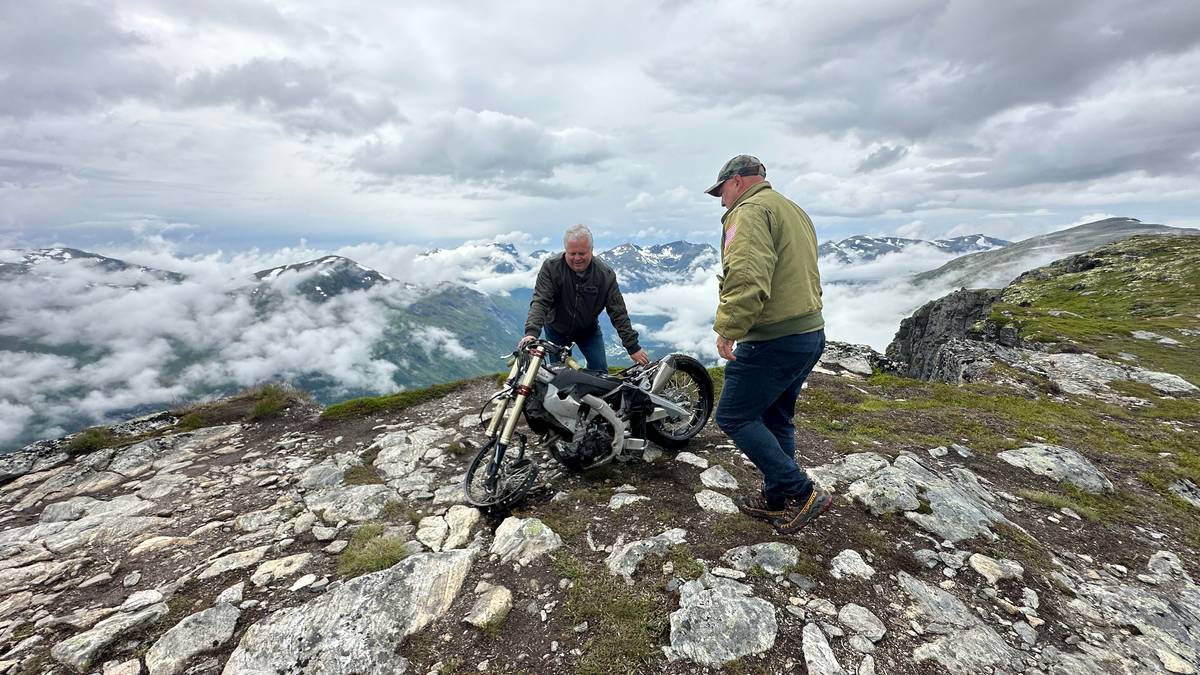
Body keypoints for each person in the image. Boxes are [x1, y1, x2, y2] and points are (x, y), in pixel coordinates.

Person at [706, 154, 832, 535]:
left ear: (738, 182)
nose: (722, 201)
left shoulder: (747, 212)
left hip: (773, 338)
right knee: (777, 416)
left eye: (722, 192)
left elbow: (746, 276)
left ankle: (803, 491)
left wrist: (729, 327)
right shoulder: (791, 209)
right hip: (808, 333)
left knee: (733, 415)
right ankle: (776, 499)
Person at [520, 224, 650, 370]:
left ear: (591, 250)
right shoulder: (551, 268)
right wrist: (531, 333)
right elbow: (540, 302)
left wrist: (632, 347)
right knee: (558, 375)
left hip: (588, 331)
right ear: (565, 250)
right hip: (556, 329)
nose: (577, 258)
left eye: (582, 253)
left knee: (600, 371)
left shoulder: (604, 275)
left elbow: (618, 312)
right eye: (572, 253)